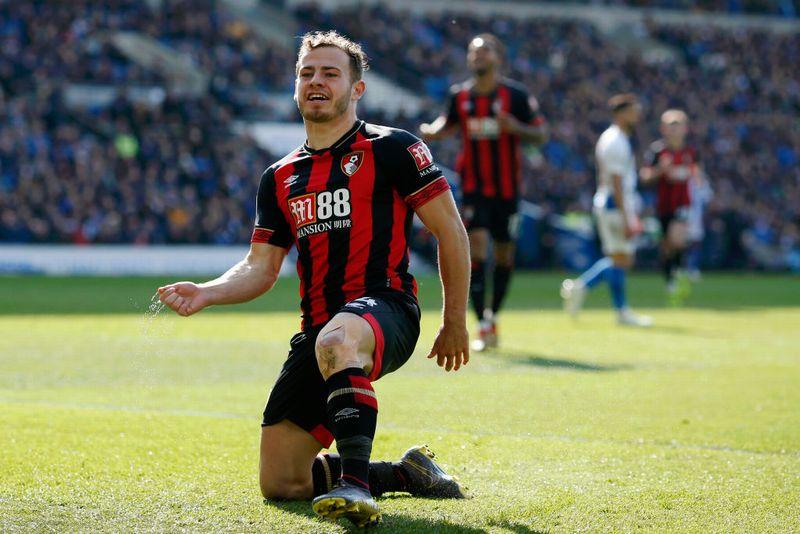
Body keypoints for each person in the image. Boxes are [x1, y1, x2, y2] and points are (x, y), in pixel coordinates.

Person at [157, 31, 470, 528]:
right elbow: (260, 266)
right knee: (283, 482)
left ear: (357, 89)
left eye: (330, 73)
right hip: (319, 330)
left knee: (339, 339)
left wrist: (454, 322)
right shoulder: (279, 176)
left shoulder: (394, 148)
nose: (316, 82)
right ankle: (405, 474)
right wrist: (208, 292)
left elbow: (451, 232)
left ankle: (356, 487)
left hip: (386, 307)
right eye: (306, 73)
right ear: (295, 87)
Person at [420, 33, 547, 351]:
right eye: (473, 52)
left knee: (504, 255)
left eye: (484, 51)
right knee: (476, 249)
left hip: (507, 190)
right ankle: (482, 324)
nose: (477, 56)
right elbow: (447, 122)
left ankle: (493, 314)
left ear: (498, 58)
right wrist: (432, 131)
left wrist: (514, 127)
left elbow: (541, 133)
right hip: (474, 188)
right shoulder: (460, 96)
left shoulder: (515, 95)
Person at [560, 94, 652, 327]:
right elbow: (616, 182)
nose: (637, 116)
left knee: (619, 259)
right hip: (614, 206)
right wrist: (627, 217)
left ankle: (588, 291)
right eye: (633, 111)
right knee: (621, 259)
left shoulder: (615, 138)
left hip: (612, 205)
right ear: (620, 114)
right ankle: (600, 297)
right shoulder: (615, 141)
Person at [640, 109, 703, 303]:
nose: (674, 129)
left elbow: (698, 176)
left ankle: (681, 271)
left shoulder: (691, 152)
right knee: (667, 246)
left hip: (682, 204)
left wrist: (690, 175)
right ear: (663, 129)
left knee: (676, 238)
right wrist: (662, 169)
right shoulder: (657, 151)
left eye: (677, 125)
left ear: (685, 128)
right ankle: (671, 280)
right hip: (662, 205)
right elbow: (645, 176)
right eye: (670, 125)